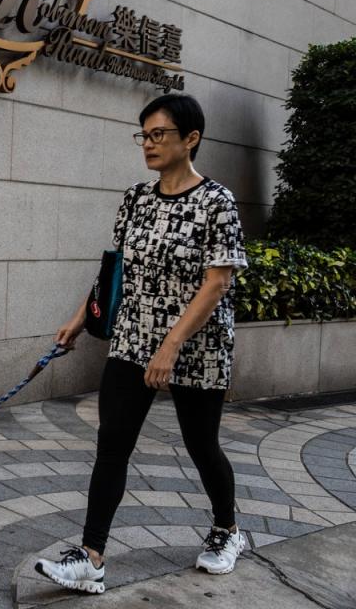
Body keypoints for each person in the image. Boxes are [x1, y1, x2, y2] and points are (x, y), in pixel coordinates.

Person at [35, 94, 247, 594]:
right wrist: (79, 319)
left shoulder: (218, 202)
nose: (148, 144)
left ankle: (227, 530)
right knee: (112, 445)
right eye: (144, 135)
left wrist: (172, 345)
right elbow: (116, 271)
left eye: (159, 135)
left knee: (201, 445)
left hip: (197, 346)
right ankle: (90, 558)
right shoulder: (134, 197)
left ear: (190, 138)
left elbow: (217, 282)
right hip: (133, 338)